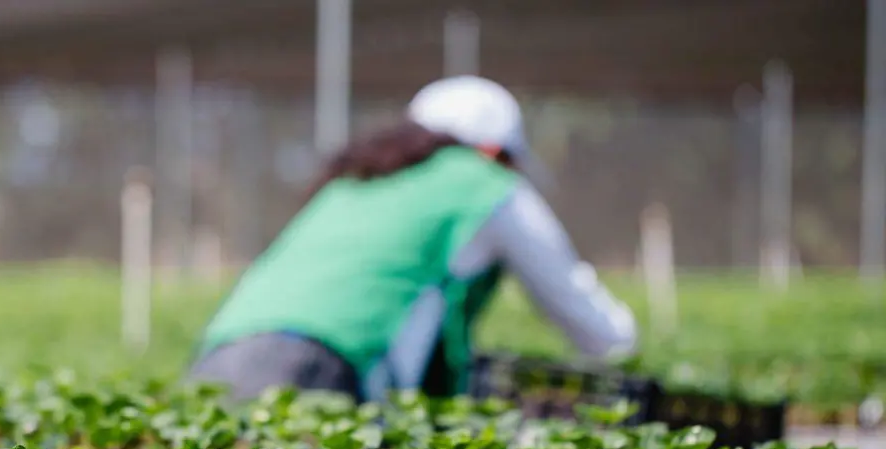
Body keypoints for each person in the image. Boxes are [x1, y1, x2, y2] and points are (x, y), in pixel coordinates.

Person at [187, 75, 637, 404]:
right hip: (316, 372)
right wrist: (624, 346)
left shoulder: (359, 177)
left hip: (215, 359)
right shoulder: (487, 185)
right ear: (493, 150)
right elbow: (595, 327)